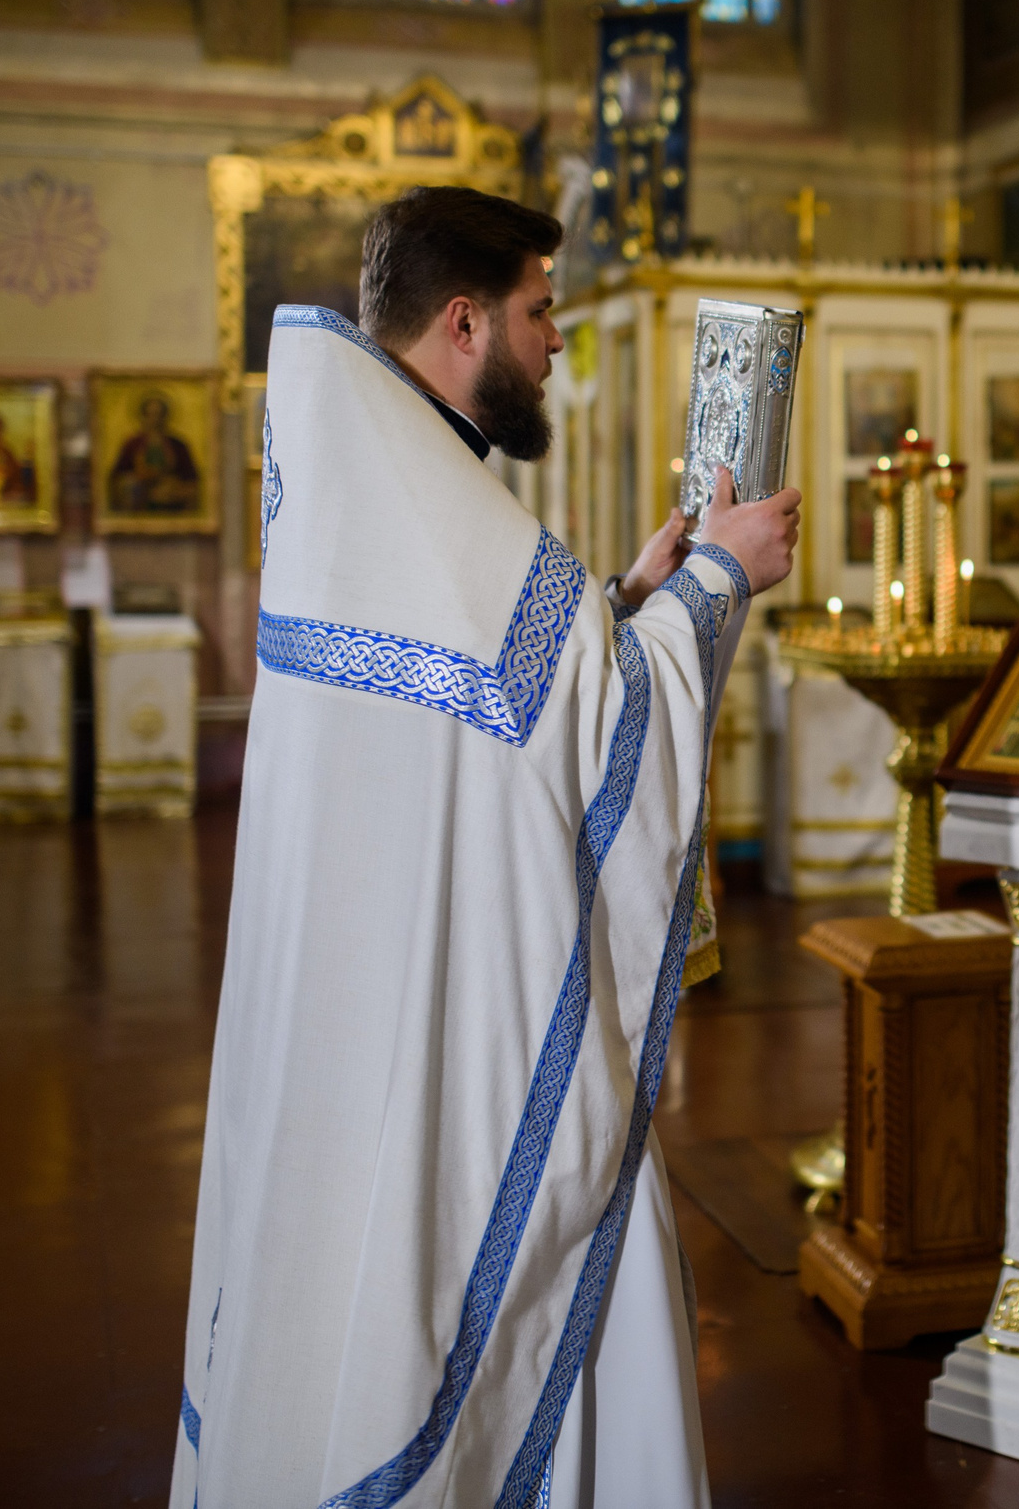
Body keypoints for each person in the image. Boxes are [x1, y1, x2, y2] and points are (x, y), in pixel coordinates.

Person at [172, 186, 800, 1509]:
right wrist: (720, 580)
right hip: (460, 1051)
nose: (558, 338)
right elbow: (602, 725)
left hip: (347, 1030)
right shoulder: (444, 518)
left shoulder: (370, 490)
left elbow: (500, 728)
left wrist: (623, 603)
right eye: (539, 308)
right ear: (465, 322)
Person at [107, 394, 202, 514]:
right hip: (140, 489)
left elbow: (191, 478)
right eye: (150, 415)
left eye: (159, 415)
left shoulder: (178, 445)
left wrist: (173, 484)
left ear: (165, 417)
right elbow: (118, 475)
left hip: (169, 491)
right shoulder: (132, 444)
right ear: (143, 417)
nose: (155, 420)